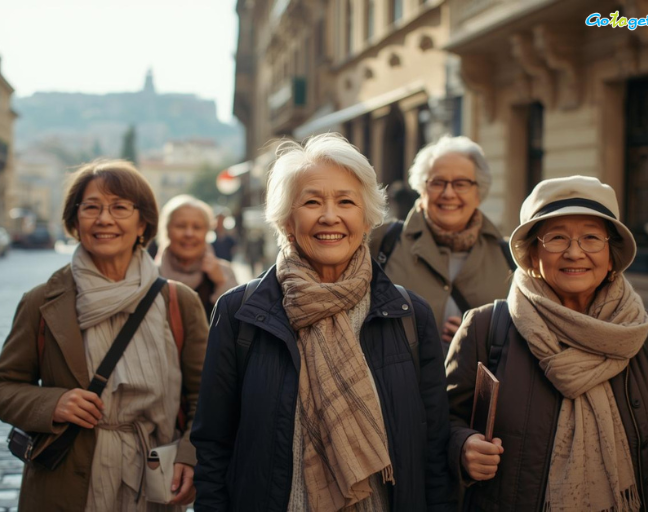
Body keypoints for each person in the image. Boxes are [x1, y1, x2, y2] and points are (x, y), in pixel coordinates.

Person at [192, 133, 454, 511]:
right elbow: (214, 446)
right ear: (286, 220)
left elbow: (433, 449)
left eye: (346, 201)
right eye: (312, 201)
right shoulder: (240, 313)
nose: (330, 216)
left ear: (366, 218)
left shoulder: (409, 315)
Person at [445, 176, 648, 511]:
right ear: (531, 254)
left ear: (612, 254)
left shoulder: (646, 331)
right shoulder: (486, 326)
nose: (575, 253)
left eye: (591, 237)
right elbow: (442, 423)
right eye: (556, 238)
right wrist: (462, 447)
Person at [0, 160, 209, 512]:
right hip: (65, 486)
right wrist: (52, 404)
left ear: (143, 223)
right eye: (91, 208)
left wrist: (190, 457)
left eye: (119, 207)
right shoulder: (42, 302)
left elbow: (208, 396)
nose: (104, 219)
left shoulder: (178, 302)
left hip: (155, 482)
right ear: (75, 222)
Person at [369, 136, 511, 352]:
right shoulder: (382, 243)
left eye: (461, 184)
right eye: (437, 182)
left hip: (475, 385)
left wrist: (483, 340)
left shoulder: (510, 256)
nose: (448, 193)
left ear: (478, 192)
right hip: (397, 384)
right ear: (422, 188)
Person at [156, 195, 237, 319]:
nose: (189, 234)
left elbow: (237, 324)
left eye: (197, 227)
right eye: (181, 226)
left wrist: (221, 283)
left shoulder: (224, 272)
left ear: (207, 231)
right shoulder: (150, 274)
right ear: (166, 230)